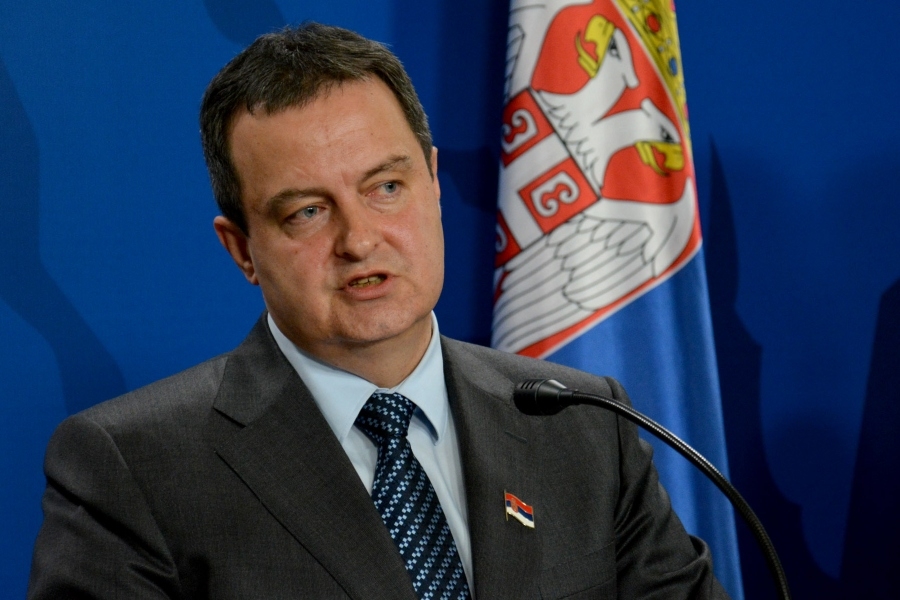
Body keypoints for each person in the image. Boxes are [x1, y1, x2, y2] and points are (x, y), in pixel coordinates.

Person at [28, 23, 729, 599]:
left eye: (386, 187)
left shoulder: (584, 424)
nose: (359, 240)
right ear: (242, 249)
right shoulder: (133, 470)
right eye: (307, 212)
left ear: (433, 183)